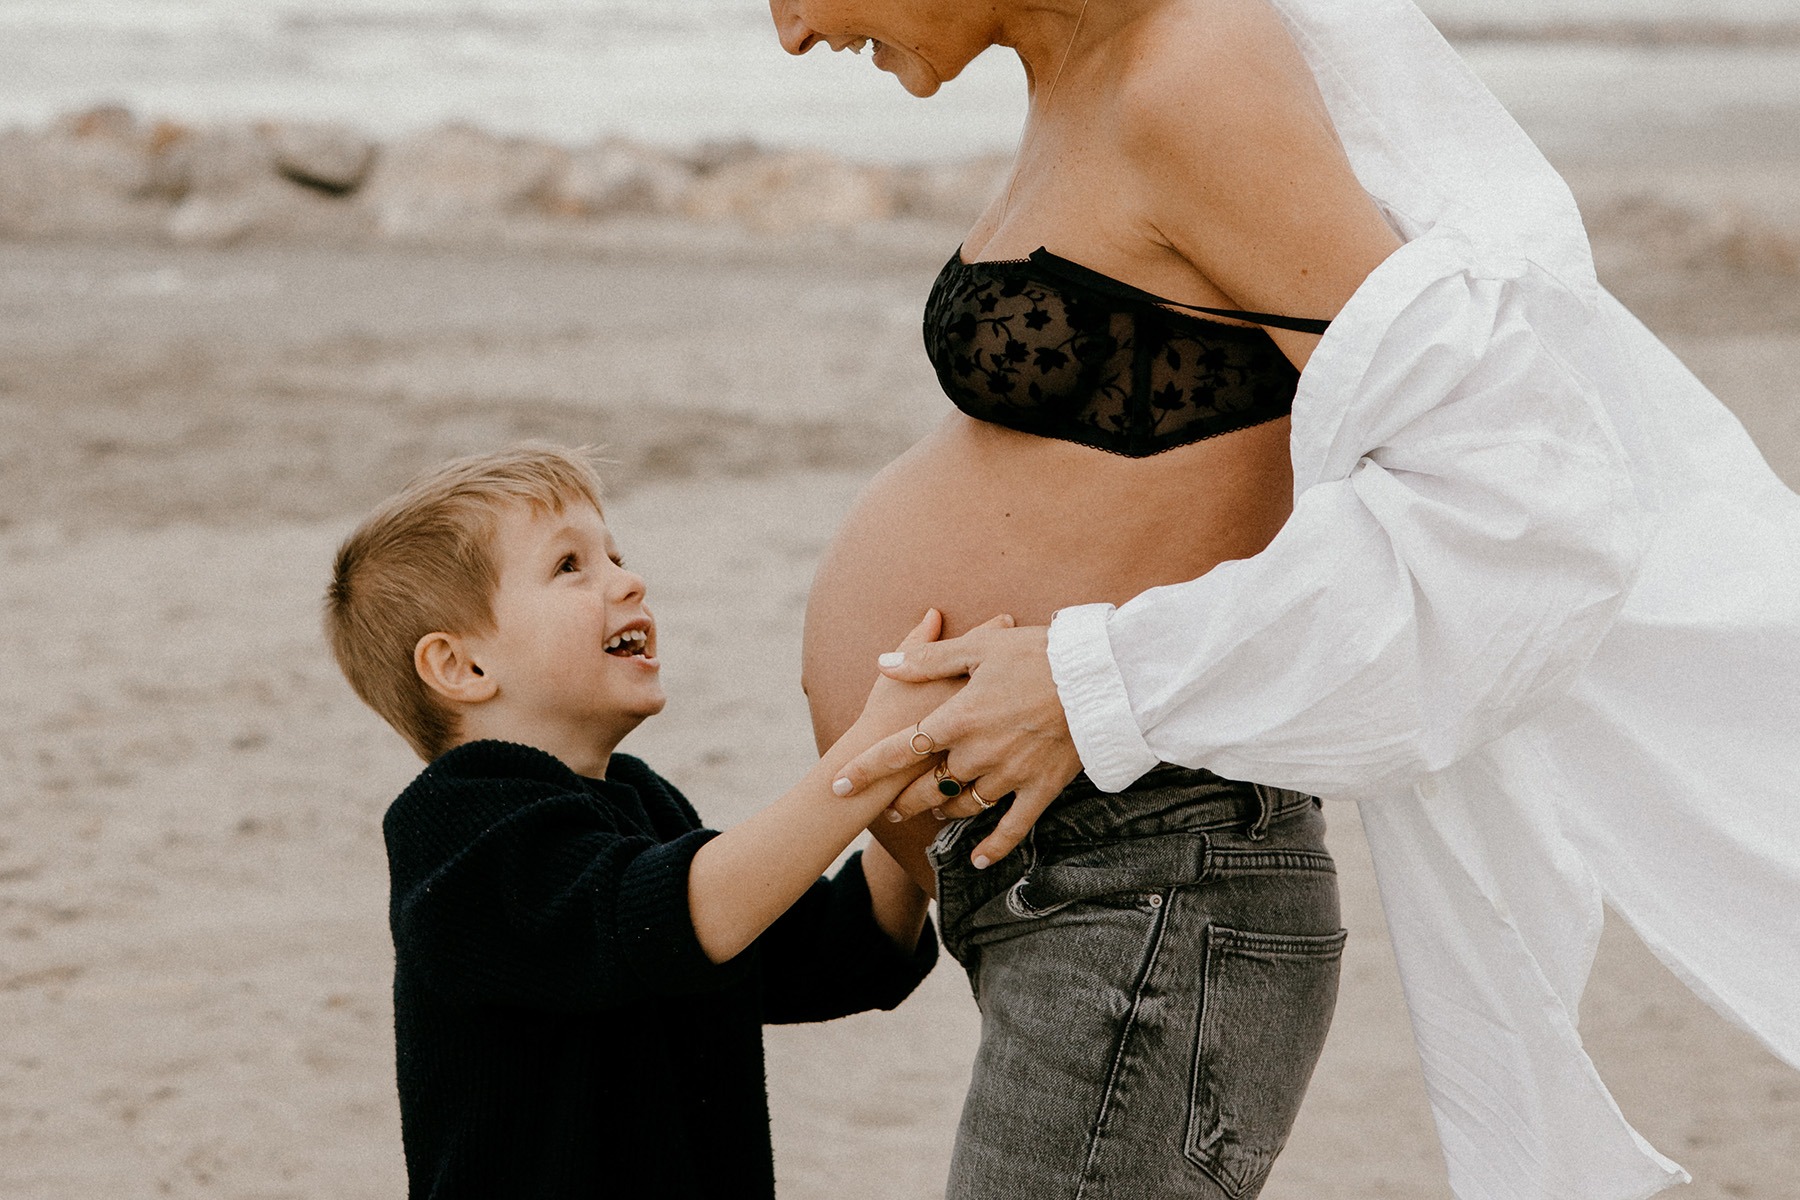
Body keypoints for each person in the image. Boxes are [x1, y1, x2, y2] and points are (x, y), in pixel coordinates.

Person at [772, 0, 1800, 1198]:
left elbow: (1510, 500)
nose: (790, 33)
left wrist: (1099, 682)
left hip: (1149, 883)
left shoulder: (1188, 71)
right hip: (1057, 881)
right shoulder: (1076, 76)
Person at [321, 444, 965, 1199]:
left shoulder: (640, 805)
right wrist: (875, 754)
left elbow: (832, 955)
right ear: (462, 668)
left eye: (616, 554)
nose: (628, 581)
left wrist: (925, 776)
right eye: (570, 566)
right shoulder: (457, 834)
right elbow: (664, 919)